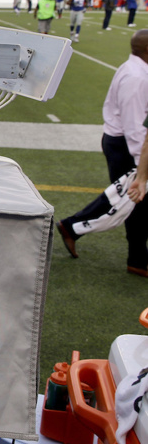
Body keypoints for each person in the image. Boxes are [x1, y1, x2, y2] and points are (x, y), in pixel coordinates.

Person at [57, 30, 148, 274]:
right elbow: (135, 126)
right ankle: (138, 259)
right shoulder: (137, 77)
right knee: (133, 200)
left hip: (121, 142)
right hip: (125, 145)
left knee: (125, 198)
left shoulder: (135, 70)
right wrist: (143, 168)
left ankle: (72, 227)